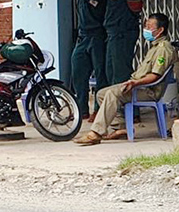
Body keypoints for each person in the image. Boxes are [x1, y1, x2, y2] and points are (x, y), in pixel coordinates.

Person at [74, 13, 177, 145]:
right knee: (101, 94)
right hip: (139, 86)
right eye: (146, 26)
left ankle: (96, 133)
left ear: (160, 30)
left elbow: (154, 76)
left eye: (149, 26)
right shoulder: (155, 47)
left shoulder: (164, 49)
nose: (146, 29)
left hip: (148, 90)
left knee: (112, 94)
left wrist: (135, 83)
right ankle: (121, 128)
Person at [70, 0, 111, 120]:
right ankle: (81, 109)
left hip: (98, 35)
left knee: (101, 74)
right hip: (82, 35)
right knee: (78, 72)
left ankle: (98, 110)